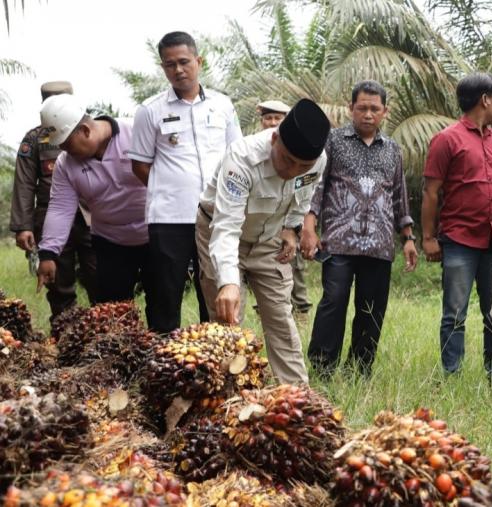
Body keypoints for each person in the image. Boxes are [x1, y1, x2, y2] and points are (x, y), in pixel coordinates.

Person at [197, 98, 329, 384]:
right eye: (286, 159)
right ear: (274, 138)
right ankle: (231, 402)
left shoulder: (317, 162)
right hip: (220, 231)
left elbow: (302, 199)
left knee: (281, 317)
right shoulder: (242, 158)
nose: (292, 170)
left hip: (269, 237)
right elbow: (227, 227)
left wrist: (291, 229)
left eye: (301, 165)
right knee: (229, 322)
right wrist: (229, 282)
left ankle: (297, 399)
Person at [301, 80, 417, 378]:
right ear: (351, 108)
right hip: (338, 241)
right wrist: (309, 225)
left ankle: (359, 370)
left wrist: (407, 237)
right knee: (333, 302)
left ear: (384, 112)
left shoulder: (392, 149)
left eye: (374, 109)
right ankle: (322, 367)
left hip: (379, 245)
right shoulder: (334, 141)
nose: (367, 114)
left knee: (371, 310)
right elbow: (317, 184)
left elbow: (399, 195)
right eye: (362, 108)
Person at [128, 31, 242, 333]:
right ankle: (162, 362)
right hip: (169, 218)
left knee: (215, 292)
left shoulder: (223, 105)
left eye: (183, 62)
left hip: (216, 216)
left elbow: (236, 156)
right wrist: (170, 187)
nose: (178, 70)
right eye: (169, 65)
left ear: (198, 61)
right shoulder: (150, 110)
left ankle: (217, 360)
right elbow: (140, 164)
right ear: (163, 68)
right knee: (165, 294)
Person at [422, 73, 492, 381]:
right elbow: (431, 192)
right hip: (459, 239)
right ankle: (452, 372)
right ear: (485, 99)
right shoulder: (447, 139)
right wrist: (429, 238)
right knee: (455, 313)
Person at [36, 94, 150, 306]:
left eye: (67, 145)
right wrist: (48, 253)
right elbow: (60, 208)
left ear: (86, 131)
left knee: (162, 310)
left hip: (155, 234)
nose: (64, 152)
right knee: (114, 313)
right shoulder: (65, 164)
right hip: (110, 242)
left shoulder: (136, 132)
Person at [10, 81, 95, 320]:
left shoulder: (89, 130)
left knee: (100, 278)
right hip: (50, 217)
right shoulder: (35, 139)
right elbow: (24, 183)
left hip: (90, 215)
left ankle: (106, 336)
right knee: (60, 284)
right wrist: (23, 226)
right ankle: (65, 336)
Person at [256, 100, 313, 317]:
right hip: (261, 229)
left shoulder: (300, 151)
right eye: (267, 118)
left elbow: (305, 194)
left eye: (277, 119)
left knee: (294, 270)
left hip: (288, 225)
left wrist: (297, 228)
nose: (271, 122)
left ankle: (301, 313)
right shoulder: (254, 150)